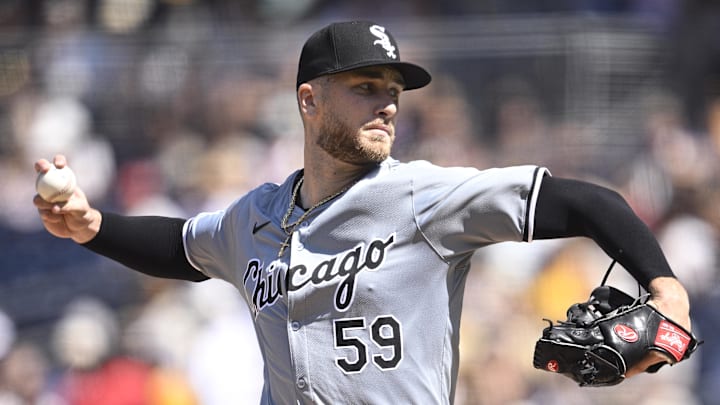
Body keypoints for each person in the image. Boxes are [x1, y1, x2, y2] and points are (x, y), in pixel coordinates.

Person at [33, 20, 693, 404]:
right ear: (309, 100)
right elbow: (180, 245)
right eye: (365, 87)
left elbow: (585, 200)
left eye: (393, 91)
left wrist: (666, 289)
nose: (387, 104)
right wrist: (92, 225)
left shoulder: (424, 196)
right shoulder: (255, 216)